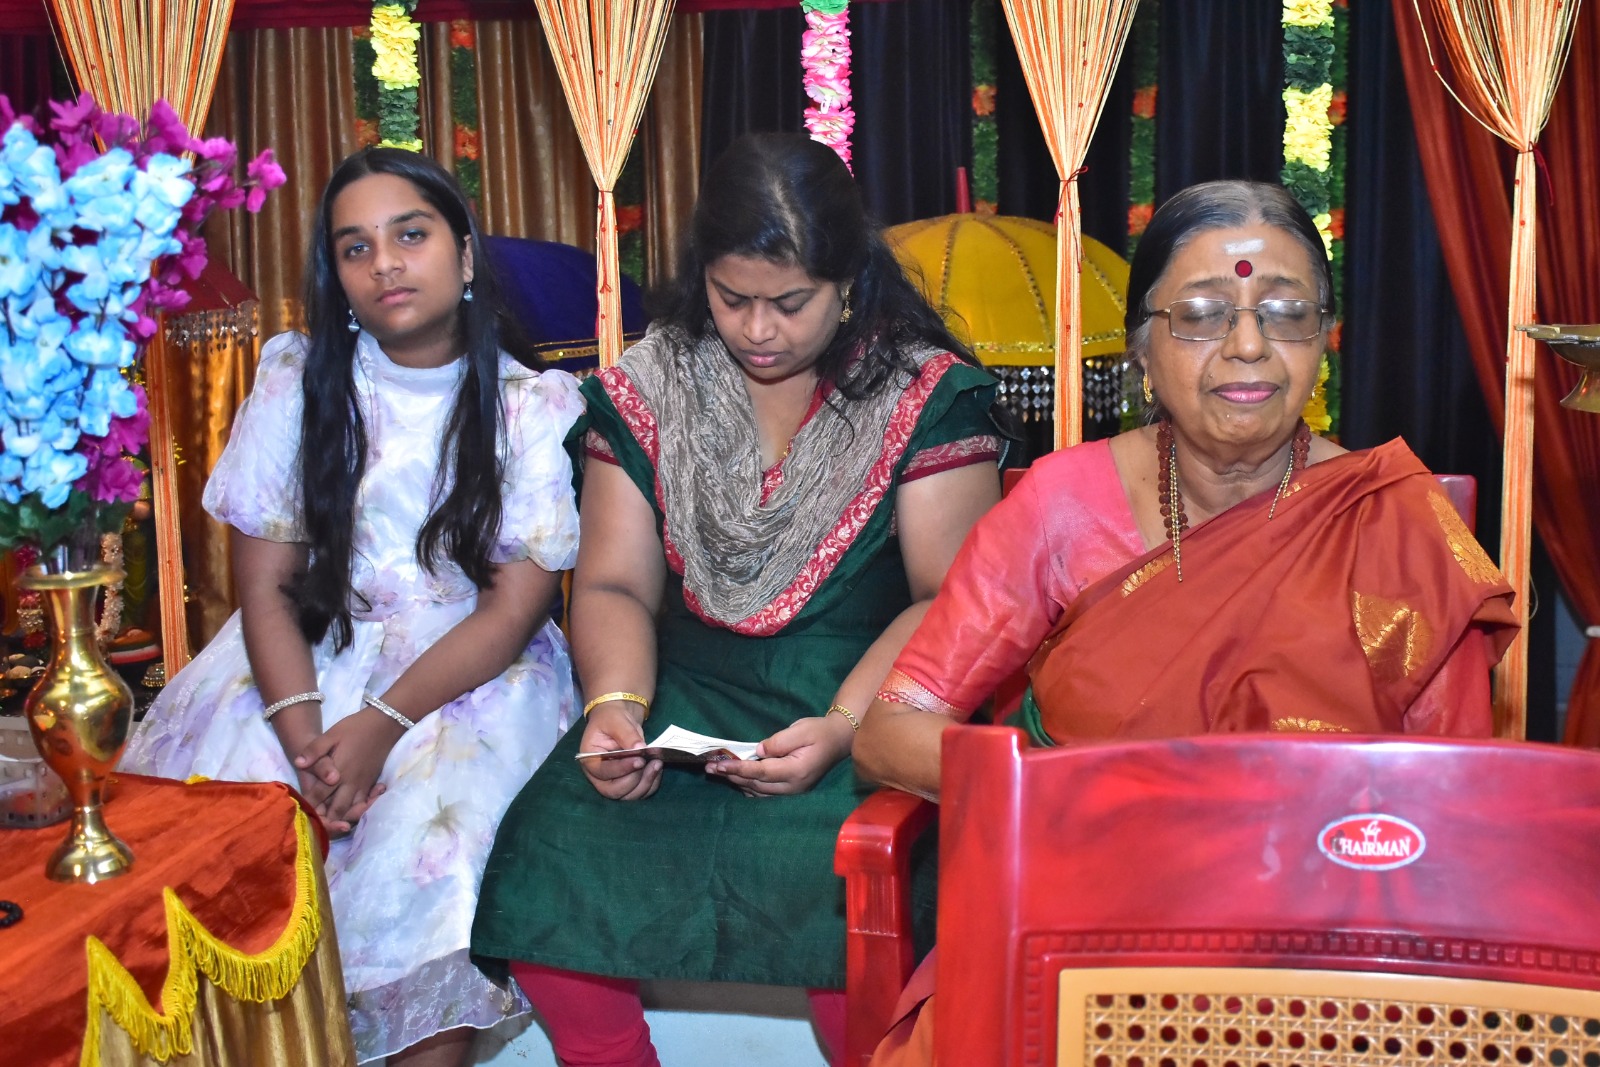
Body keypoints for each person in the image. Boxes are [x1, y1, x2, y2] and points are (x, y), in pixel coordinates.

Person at [853, 179, 1520, 1066]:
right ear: (1142, 346)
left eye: (1285, 312)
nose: (1248, 346)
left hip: (1323, 945)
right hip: (1080, 919)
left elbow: (1455, 805)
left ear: (1324, 336)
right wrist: (1087, 795)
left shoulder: (1394, 526)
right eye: (1202, 314)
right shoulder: (1060, 506)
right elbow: (892, 729)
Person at [470, 132, 1004, 1066]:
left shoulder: (922, 394)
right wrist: (615, 707)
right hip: (683, 694)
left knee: (841, 919)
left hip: (867, 693)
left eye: (790, 303)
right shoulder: (653, 384)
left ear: (848, 282)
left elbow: (944, 600)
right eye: (731, 298)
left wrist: (844, 728)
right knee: (548, 864)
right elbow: (613, 582)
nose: (759, 329)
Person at [121, 148, 583, 1067]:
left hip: (465, 675)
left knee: (438, 853)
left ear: (464, 252)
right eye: (355, 247)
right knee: (230, 833)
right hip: (301, 661)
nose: (385, 264)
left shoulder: (533, 404)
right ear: (334, 277)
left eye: (410, 235)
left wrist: (377, 726)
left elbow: (512, 612)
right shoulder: (298, 380)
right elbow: (265, 587)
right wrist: (306, 747)